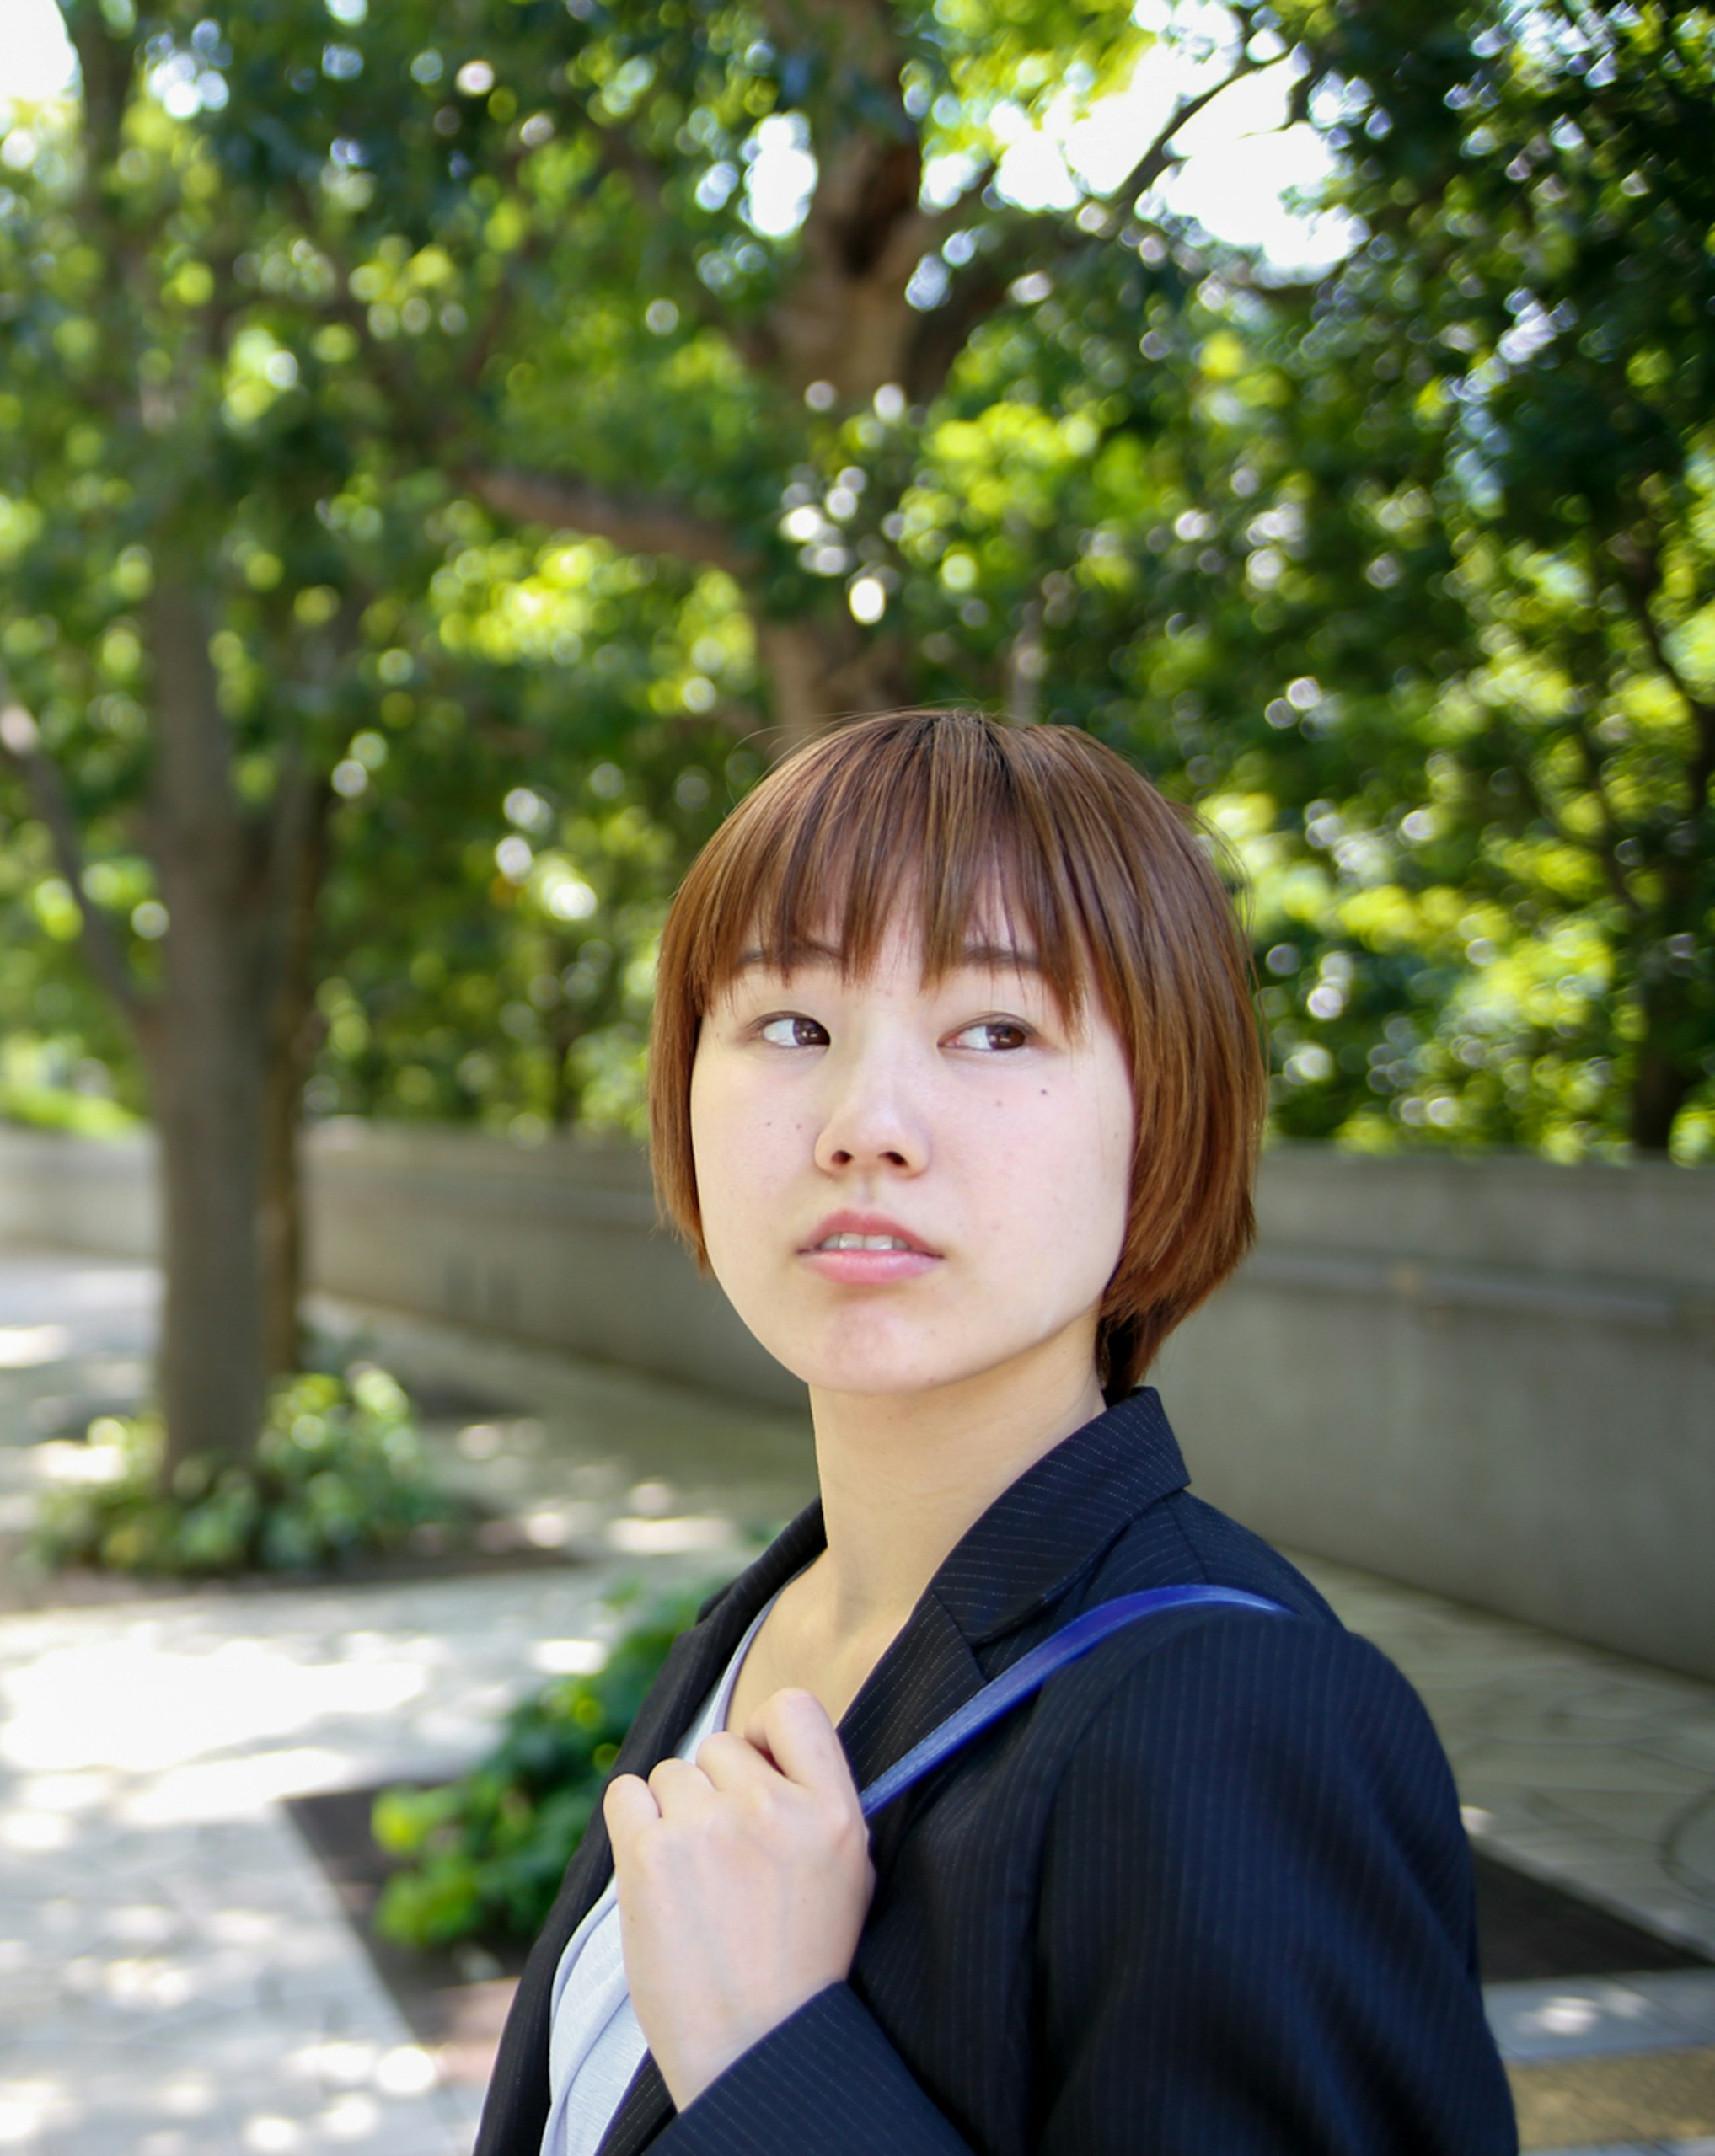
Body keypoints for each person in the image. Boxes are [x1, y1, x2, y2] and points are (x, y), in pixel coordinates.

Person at [474, 711, 1515, 2154]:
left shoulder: (1231, 1718)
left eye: (996, 1029)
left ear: (1161, 1117)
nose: (866, 1123)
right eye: (792, 1025)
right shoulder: (770, 1618)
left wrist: (777, 2058)